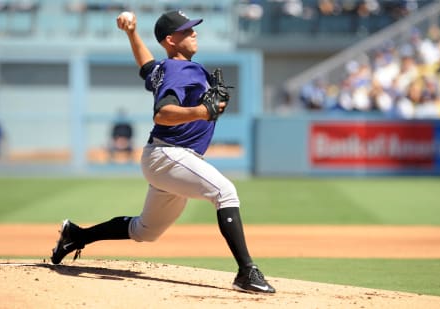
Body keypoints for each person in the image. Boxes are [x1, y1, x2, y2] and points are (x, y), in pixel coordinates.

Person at [50, 10, 275, 294]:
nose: (194, 33)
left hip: (166, 158)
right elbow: (162, 113)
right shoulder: (181, 70)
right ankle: (246, 271)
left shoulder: (166, 68)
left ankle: (76, 236)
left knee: (146, 231)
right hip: (171, 155)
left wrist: (132, 33)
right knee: (225, 192)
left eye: (193, 28)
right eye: (186, 30)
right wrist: (200, 112)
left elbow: (146, 66)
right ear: (171, 39)